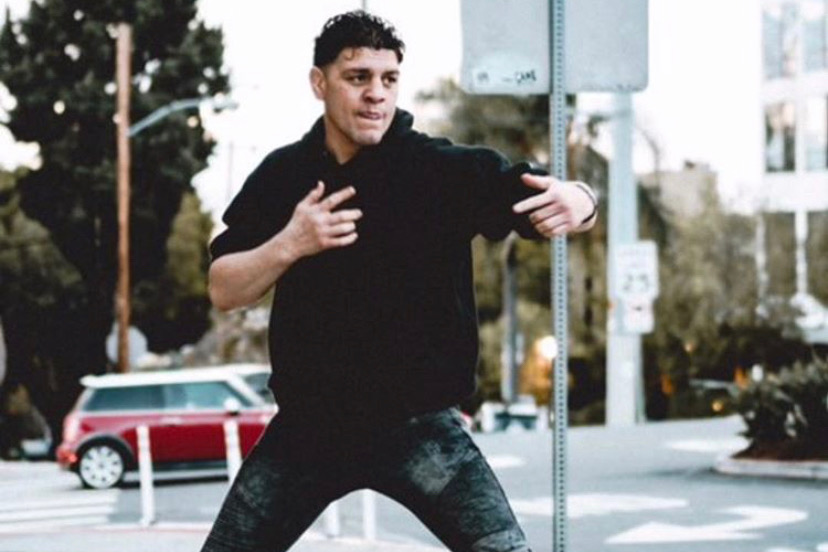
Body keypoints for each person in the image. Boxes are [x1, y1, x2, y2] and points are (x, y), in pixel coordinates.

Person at [202, 10, 597, 552]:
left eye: (389, 79)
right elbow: (223, 288)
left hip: (422, 429)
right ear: (319, 83)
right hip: (309, 430)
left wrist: (581, 198)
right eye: (357, 77)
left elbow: (544, 196)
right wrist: (290, 242)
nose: (376, 94)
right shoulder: (285, 175)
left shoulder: (438, 169)